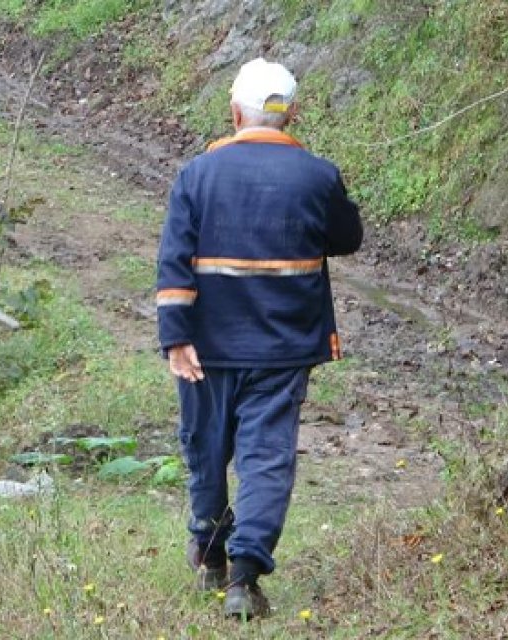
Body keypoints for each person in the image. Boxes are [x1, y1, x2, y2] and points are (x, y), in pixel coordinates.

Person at [155, 57, 363, 619]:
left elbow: (173, 260)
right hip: (283, 349)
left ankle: (210, 551)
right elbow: (348, 238)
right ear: (291, 114)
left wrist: (175, 336)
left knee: (206, 449)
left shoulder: (196, 174)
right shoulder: (318, 174)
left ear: (234, 112)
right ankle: (244, 577)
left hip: (205, 348)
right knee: (267, 458)